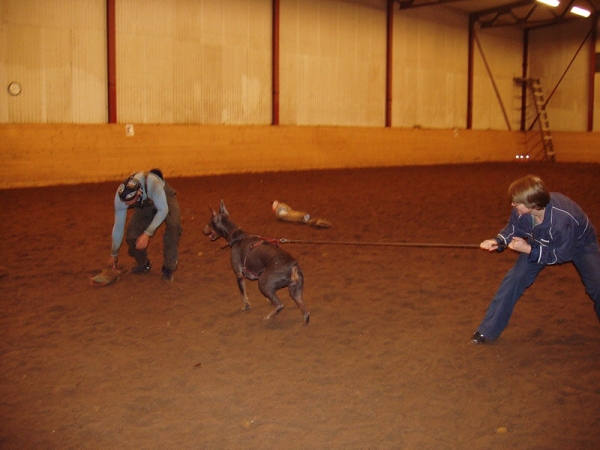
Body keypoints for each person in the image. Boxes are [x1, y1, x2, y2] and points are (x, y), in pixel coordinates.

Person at [471, 174, 600, 344]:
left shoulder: (563, 219)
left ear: (533, 205)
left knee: (597, 285)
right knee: (515, 278)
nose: (512, 204)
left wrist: (528, 249)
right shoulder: (521, 210)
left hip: (579, 244)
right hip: (541, 239)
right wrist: (498, 241)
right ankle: (488, 330)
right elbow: (513, 228)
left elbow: (561, 254)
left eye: (517, 203)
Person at [109, 169, 182, 282]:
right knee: (132, 236)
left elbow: (163, 210)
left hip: (164, 198)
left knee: (173, 227)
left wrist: (147, 233)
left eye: (128, 202)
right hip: (144, 203)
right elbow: (118, 227)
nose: (125, 205)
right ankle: (143, 263)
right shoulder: (122, 198)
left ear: (138, 193)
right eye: (124, 202)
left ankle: (168, 268)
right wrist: (114, 254)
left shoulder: (153, 185)